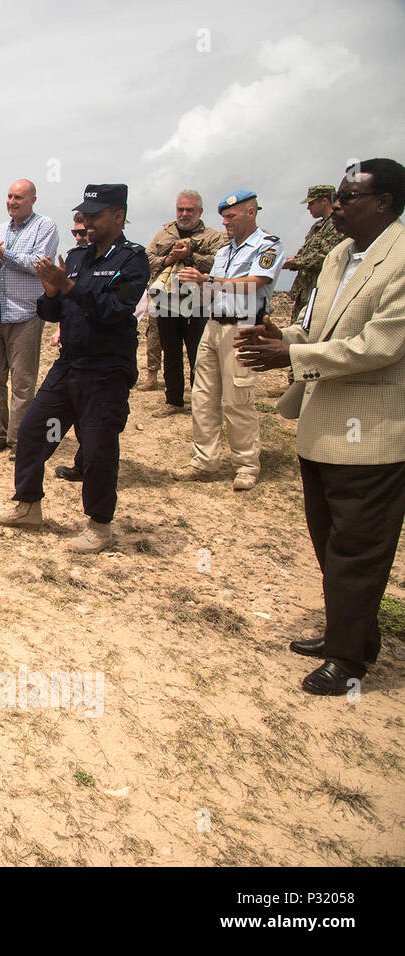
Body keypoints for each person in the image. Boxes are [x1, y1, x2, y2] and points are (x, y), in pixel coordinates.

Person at [237, 159, 405, 696]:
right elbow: (314, 328)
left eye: (348, 197)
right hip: (321, 430)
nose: (335, 205)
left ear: (384, 202)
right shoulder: (338, 256)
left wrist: (291, 354)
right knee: (330, 543)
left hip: (373, 436)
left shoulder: (401, 259)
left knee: (357, 550)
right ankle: (352, 633)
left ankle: (347, 661)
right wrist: (278, 333)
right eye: (335, 195)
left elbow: (378, 347)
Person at [0, 184, 150, 553]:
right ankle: (27, 506)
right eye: (85, 215)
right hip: (69, 366)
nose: (87, 221)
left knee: (97, 449)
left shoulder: (132, 260)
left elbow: (113, 310)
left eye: (95, 215)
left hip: (106, 371)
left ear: (118, 216)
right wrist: (50, 292)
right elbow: (54, 312)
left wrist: (67, 286)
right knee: (32, 432)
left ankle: (99, 526)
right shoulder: (76, 257)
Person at [173, 190, 283, 491]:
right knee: (203, 396)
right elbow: (216, 291)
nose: (226, 223)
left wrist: (208, 280)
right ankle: (204, 460)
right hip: (213, 324)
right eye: (223, 218)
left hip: (243, 327)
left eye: (231, 217)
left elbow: (256, 283)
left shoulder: (267, 246)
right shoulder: (224, 252)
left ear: (251, 213)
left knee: (238, 399)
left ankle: (246, 464)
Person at [0, 179, 59, 458]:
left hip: (24, 314)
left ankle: (18, 441)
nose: (12, 201)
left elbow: (39, 264)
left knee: (22, 383)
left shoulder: (45, 226)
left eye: (18, 197)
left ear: (33, 200)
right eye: (9, 196)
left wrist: (2, 253)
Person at [143, 189, 228, 415]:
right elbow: (147, 258)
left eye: (190, 210)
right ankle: (174, 401)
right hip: (166, 302)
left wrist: (190, 256)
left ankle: (202, 401)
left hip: (198, 303)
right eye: (181, 209)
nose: (184, 213)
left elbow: (219, 263)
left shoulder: (212, 236)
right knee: (170, 353)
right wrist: (169, 258)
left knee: (198, 354)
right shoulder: (163, 234)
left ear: (200, 211)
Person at [54, 216, 90, 482]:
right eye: (74, 233)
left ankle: (92, 466)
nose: (78, 238)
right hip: (73, 348)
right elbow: (65, 303)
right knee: (77, 411)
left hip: (103, 353)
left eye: (82, 233)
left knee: (95, 416)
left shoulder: (120, 260)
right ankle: (82, 464)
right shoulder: (74, 259)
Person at [284, 184, 341, 323]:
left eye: (311, 203)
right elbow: (305, 252)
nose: (308, 207)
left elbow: (326, 256)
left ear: (325, 201)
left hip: (321, 292)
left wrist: (293, 263)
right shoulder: (318, 227)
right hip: (306, 292)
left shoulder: (338, 224)